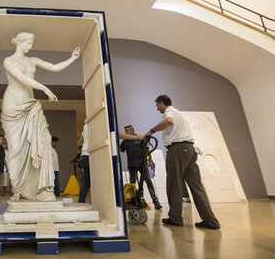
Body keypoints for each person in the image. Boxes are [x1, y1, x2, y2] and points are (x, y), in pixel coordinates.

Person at [0, 32, 80, 202]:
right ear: (19, 42)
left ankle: (43, 188)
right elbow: (21, 78)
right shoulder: (8, 61)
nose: (31, 46)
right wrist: (45, 89)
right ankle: (19, 188)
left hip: (30, 106)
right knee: (16, 150)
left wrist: (72, 58)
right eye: (28, 43)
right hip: (13, 108)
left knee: (44, 140)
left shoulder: (33, 60)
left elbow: (54, 67)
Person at [146, 94, 220, 229]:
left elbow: (168, 121)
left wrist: (151, 131)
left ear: (162, 103)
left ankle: (175, 218)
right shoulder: (179, 113)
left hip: (178, 150)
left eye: (157, 105)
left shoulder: (169, 112)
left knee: (174, 184)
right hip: (190, 150)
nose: (157, 109)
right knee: (197, 187)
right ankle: (210, 221)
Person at [78, 123, 145, 203]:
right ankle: (103, 205)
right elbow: (116, 134)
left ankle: (81, 202)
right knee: (101, 181)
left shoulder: (86, 125)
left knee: (86, 182)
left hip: (84, 155)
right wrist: (135, 137)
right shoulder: (99, 120)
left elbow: (81, 140)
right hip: (92, 156)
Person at [120, 125, 162, 210]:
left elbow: (147, 150)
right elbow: (120, 150)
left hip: (142, 164)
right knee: (132, 184)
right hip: (131, 165)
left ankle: (156, 201)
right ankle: (133, 201)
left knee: (148, 181)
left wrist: (150, 160)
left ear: (132, 131)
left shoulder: (140, 138)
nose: (125, 132)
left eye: (127, 131)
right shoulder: (125, 141)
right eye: (125, 131)